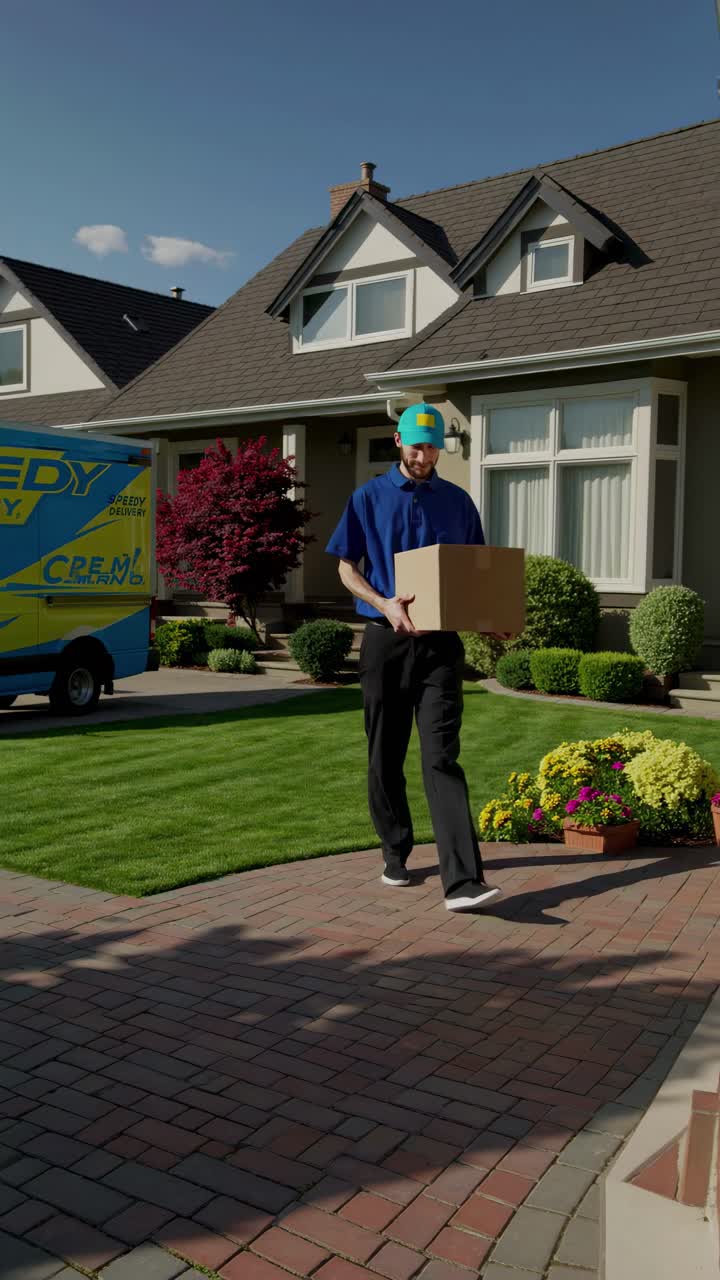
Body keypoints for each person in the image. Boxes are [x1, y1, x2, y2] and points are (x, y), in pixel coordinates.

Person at [326, 403, 503, 912]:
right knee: (385, 752)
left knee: (441, 756)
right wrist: (383, 603)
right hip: (385, 640)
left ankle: (464, 882)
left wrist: (493, 620)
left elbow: (475, 574)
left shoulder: (458, 502)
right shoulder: (368, 497)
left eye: (432, 447)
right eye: (417, 445)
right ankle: (395, 849)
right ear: (399, 441)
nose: (425, 455)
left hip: (441, 646)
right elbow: (345, 567)